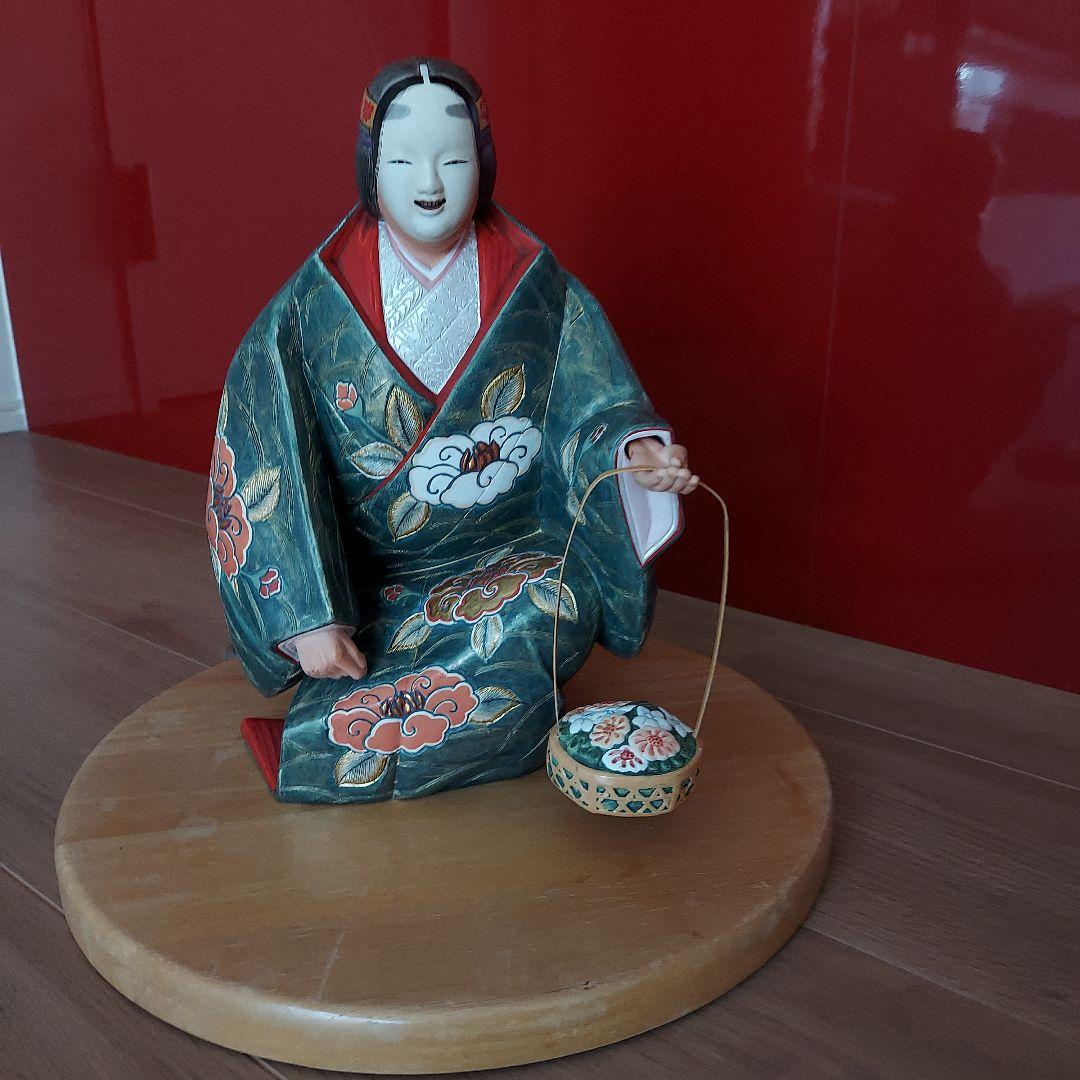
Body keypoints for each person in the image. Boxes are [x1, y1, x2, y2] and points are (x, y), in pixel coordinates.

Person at [206, 57, 697, 802]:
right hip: (370, 584)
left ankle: (381, 733)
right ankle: (380, 730)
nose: (430, 182)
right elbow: (260, 446)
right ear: (371, 169)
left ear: (486, 163)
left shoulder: (538, 287)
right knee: (390, 653)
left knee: (557, 609)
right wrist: (305, 614)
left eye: (455, 159)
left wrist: (636, 454)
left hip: (507, 569)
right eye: (404, 161)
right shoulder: (311, 303)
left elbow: (596, 409)